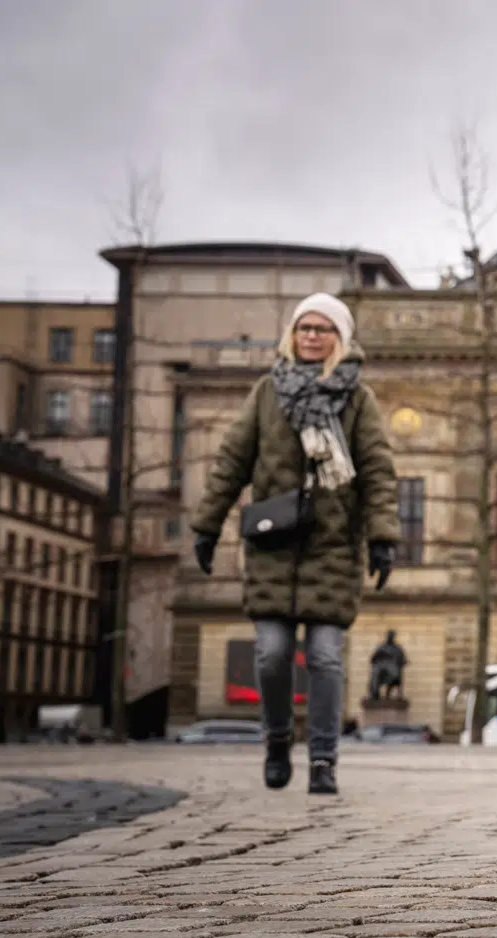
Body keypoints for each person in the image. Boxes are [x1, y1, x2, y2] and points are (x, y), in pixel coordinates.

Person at [190, 292, 399, 796]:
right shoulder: (267, 392)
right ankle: (278, 738)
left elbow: (377, 472)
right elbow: (231, 462)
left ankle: (324, 759)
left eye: (322, 328)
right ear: (292, 335)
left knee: (326, 657)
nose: (310, 335)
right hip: (273, 544)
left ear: (340, 338)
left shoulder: (357, 399)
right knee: (272, 653)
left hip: (332, 547)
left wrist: (383, 537)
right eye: (304, 327)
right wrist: (206, 525)